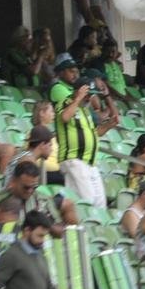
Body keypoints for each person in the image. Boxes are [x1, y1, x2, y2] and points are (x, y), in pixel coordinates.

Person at [49, 57, 115, 207]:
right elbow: (65, 117)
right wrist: (78, 98)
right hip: (74, 159)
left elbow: (94, 133)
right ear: (79, 92)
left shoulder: (85, 110)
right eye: (87, 93)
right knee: (86, 202)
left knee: (100, 204)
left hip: (89, 162)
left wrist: (109, 125)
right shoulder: (65, 103)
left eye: (91, 94)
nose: (89, 97)